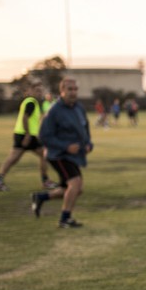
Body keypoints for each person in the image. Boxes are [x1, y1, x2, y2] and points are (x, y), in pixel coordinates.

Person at [32, 78, 92, 228]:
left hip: (73, 155)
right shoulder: (54, 110)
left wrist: (88, 144)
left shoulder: (79, 108)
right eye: (69, 89)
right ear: (62, 91)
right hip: (58, 155)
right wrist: (65, 146)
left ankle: (41, 197)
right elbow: (44, 136)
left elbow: (85, 128)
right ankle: (65, 219)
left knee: (75, 189)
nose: (73, 92)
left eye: (75, 89)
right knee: (75, 184)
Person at [0, 81, 56, 191]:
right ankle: (45, 181)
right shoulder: (31, 102)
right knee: (45, 155)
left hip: (22, 134)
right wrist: (27, 135)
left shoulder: (31, 102)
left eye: (40, 91)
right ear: (30, 91)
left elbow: (33, 119)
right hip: (27, 135)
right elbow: (25, 118)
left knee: (13, 158)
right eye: (37, 90)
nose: (39, 93)